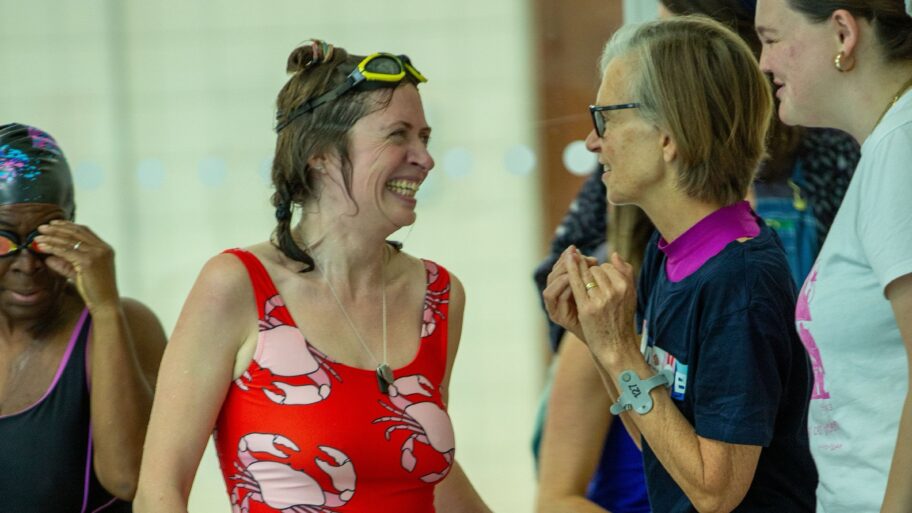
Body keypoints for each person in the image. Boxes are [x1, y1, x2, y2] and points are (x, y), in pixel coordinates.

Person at [133, 41, 491, 513]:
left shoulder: (437, 296)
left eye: (424, 136)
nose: (424, 158)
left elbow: (422, 473)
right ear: (319, 154)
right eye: (398, 135)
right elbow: (159, 492)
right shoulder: (238, 286)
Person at [533, 1, 859, 511]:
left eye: (605, 117)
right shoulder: (673, 256)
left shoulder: (740, 281)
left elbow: (713, 490)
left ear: (669, 135)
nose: (594, 141)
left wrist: (620, 349)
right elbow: (664, 446)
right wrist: (598, 342)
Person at [755, 1, 912, 511]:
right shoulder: (888, 146)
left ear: (843, 33)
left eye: (772, 38)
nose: (763, 62)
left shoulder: (901, 150)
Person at [0, 123, 167, 512]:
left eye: (45, 239)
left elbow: (132, 478)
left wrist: (106, 309)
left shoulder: (121, 324)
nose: (28, 264)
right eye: (4, 241)